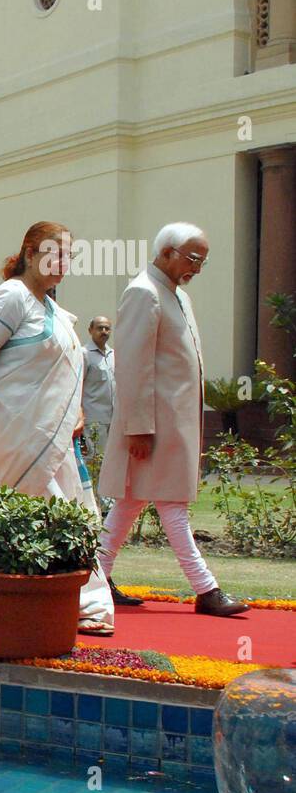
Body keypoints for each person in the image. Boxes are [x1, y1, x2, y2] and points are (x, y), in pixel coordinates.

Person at [0, 222, 116, 634]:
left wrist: (77, 410)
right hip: (17, 431)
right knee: (53, 510)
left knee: (75, 510)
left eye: (69, 257)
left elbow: (66, 368)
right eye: (55, 254)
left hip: (54, 435)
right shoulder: (10, 297)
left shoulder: (52, 309)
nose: (62, 264)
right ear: (30, 253)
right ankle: (86, 605)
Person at [97, 222, 248, 617]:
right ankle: (206, 589)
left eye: (203, 261)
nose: (198, 267)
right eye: (193, 258)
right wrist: (139, 427)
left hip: (171, 425)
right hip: (153, 427)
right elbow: (132, 367)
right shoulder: (144, 293)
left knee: (130, 501)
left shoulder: (174, 295)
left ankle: (94, 577)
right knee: (172, 503)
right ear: (166, 253)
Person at [81, 315, 115, 461]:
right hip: (94, 420)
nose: (104, 331)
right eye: (99, 328)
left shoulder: (113, 354)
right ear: (90, 330)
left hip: (113, 420)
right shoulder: (84, 354)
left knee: (111, 462)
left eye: (107, 328)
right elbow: (77, 386)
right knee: (95, 461)